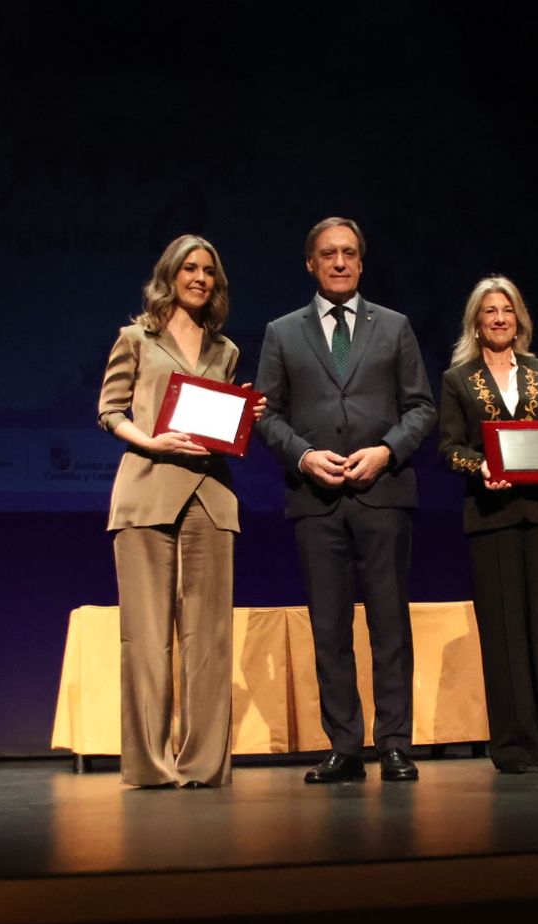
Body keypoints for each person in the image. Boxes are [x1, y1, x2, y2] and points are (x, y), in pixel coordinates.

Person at [255, 217, 437, 783]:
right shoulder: (282, 332)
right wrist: (304, 456)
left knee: (390, 626)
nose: (340, 262)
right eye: (329, 254)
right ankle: (345, 746)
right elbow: (266, 414)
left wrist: (386, 451)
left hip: (383, 494)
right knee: (329, 628)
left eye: (350, 253)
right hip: (316, 500)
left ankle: (395, 743)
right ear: (311, 263)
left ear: (361, 262)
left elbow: (422, 408)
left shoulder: (395, 326)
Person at [98, 234, 261, 788]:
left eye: (208, 271)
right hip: (147, 491)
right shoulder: (135, 339)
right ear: (169, 275)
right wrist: (152, 441)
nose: (199, 278)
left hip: (210, 496)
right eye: (189, 268)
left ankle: (203, 764)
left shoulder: (225, 350)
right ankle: (150, 765)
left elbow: (216, 425)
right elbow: (110, 411)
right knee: (146, 638)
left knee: (209, 640)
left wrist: (244, 415)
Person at [437, 276, 538, 773]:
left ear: (519, 319)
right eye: (490, 311)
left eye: (507, 310)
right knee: (504, 635)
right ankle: (515, 748)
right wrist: (480, 467)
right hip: (492, 516)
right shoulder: (458, 379)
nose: (499, 318)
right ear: (476, 323)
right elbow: (449, 448)